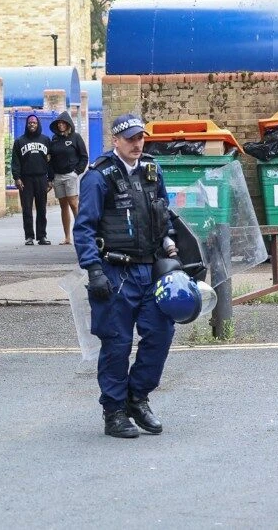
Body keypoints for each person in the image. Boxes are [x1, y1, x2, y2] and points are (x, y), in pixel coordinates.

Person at [73, 114, 179, 439]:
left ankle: (137, 397)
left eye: (140, 137)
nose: (137, 143)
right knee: (117, 344)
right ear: (115, 140)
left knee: (161, 333)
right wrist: (93, 271)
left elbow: (163, 213)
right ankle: (114, 412)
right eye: (130, 138)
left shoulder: (152, 170)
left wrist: (170, 241)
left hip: (151, 269)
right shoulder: (98, 176)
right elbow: (84, 228)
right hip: (114, 272)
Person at [49, 111, 90, 245]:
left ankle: (82, 234)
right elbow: (50, 159)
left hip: (70, 175)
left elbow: (84, 156)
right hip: (58, 176)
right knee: (63, 206)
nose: (61, 125)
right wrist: (51, 177)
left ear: (68, 124)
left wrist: (76, 172)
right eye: (59, 123)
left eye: (63, 123)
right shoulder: (54, 139)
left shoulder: (75, 137)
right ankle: (67, 237)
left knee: (73, 203)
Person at [10, 114, 53, 245]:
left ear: (38, 124)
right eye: (30, 123)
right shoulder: (19, 141)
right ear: (27, 125)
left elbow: (51, 161)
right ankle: (29, 236)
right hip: (26, 179)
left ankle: (42, 236)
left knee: (42, 209)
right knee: (27, 209)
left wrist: (50, 179)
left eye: (34, 123)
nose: (32, 125)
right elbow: (15, 161)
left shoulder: (45, 140)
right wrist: (17, 177)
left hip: (41, 178)